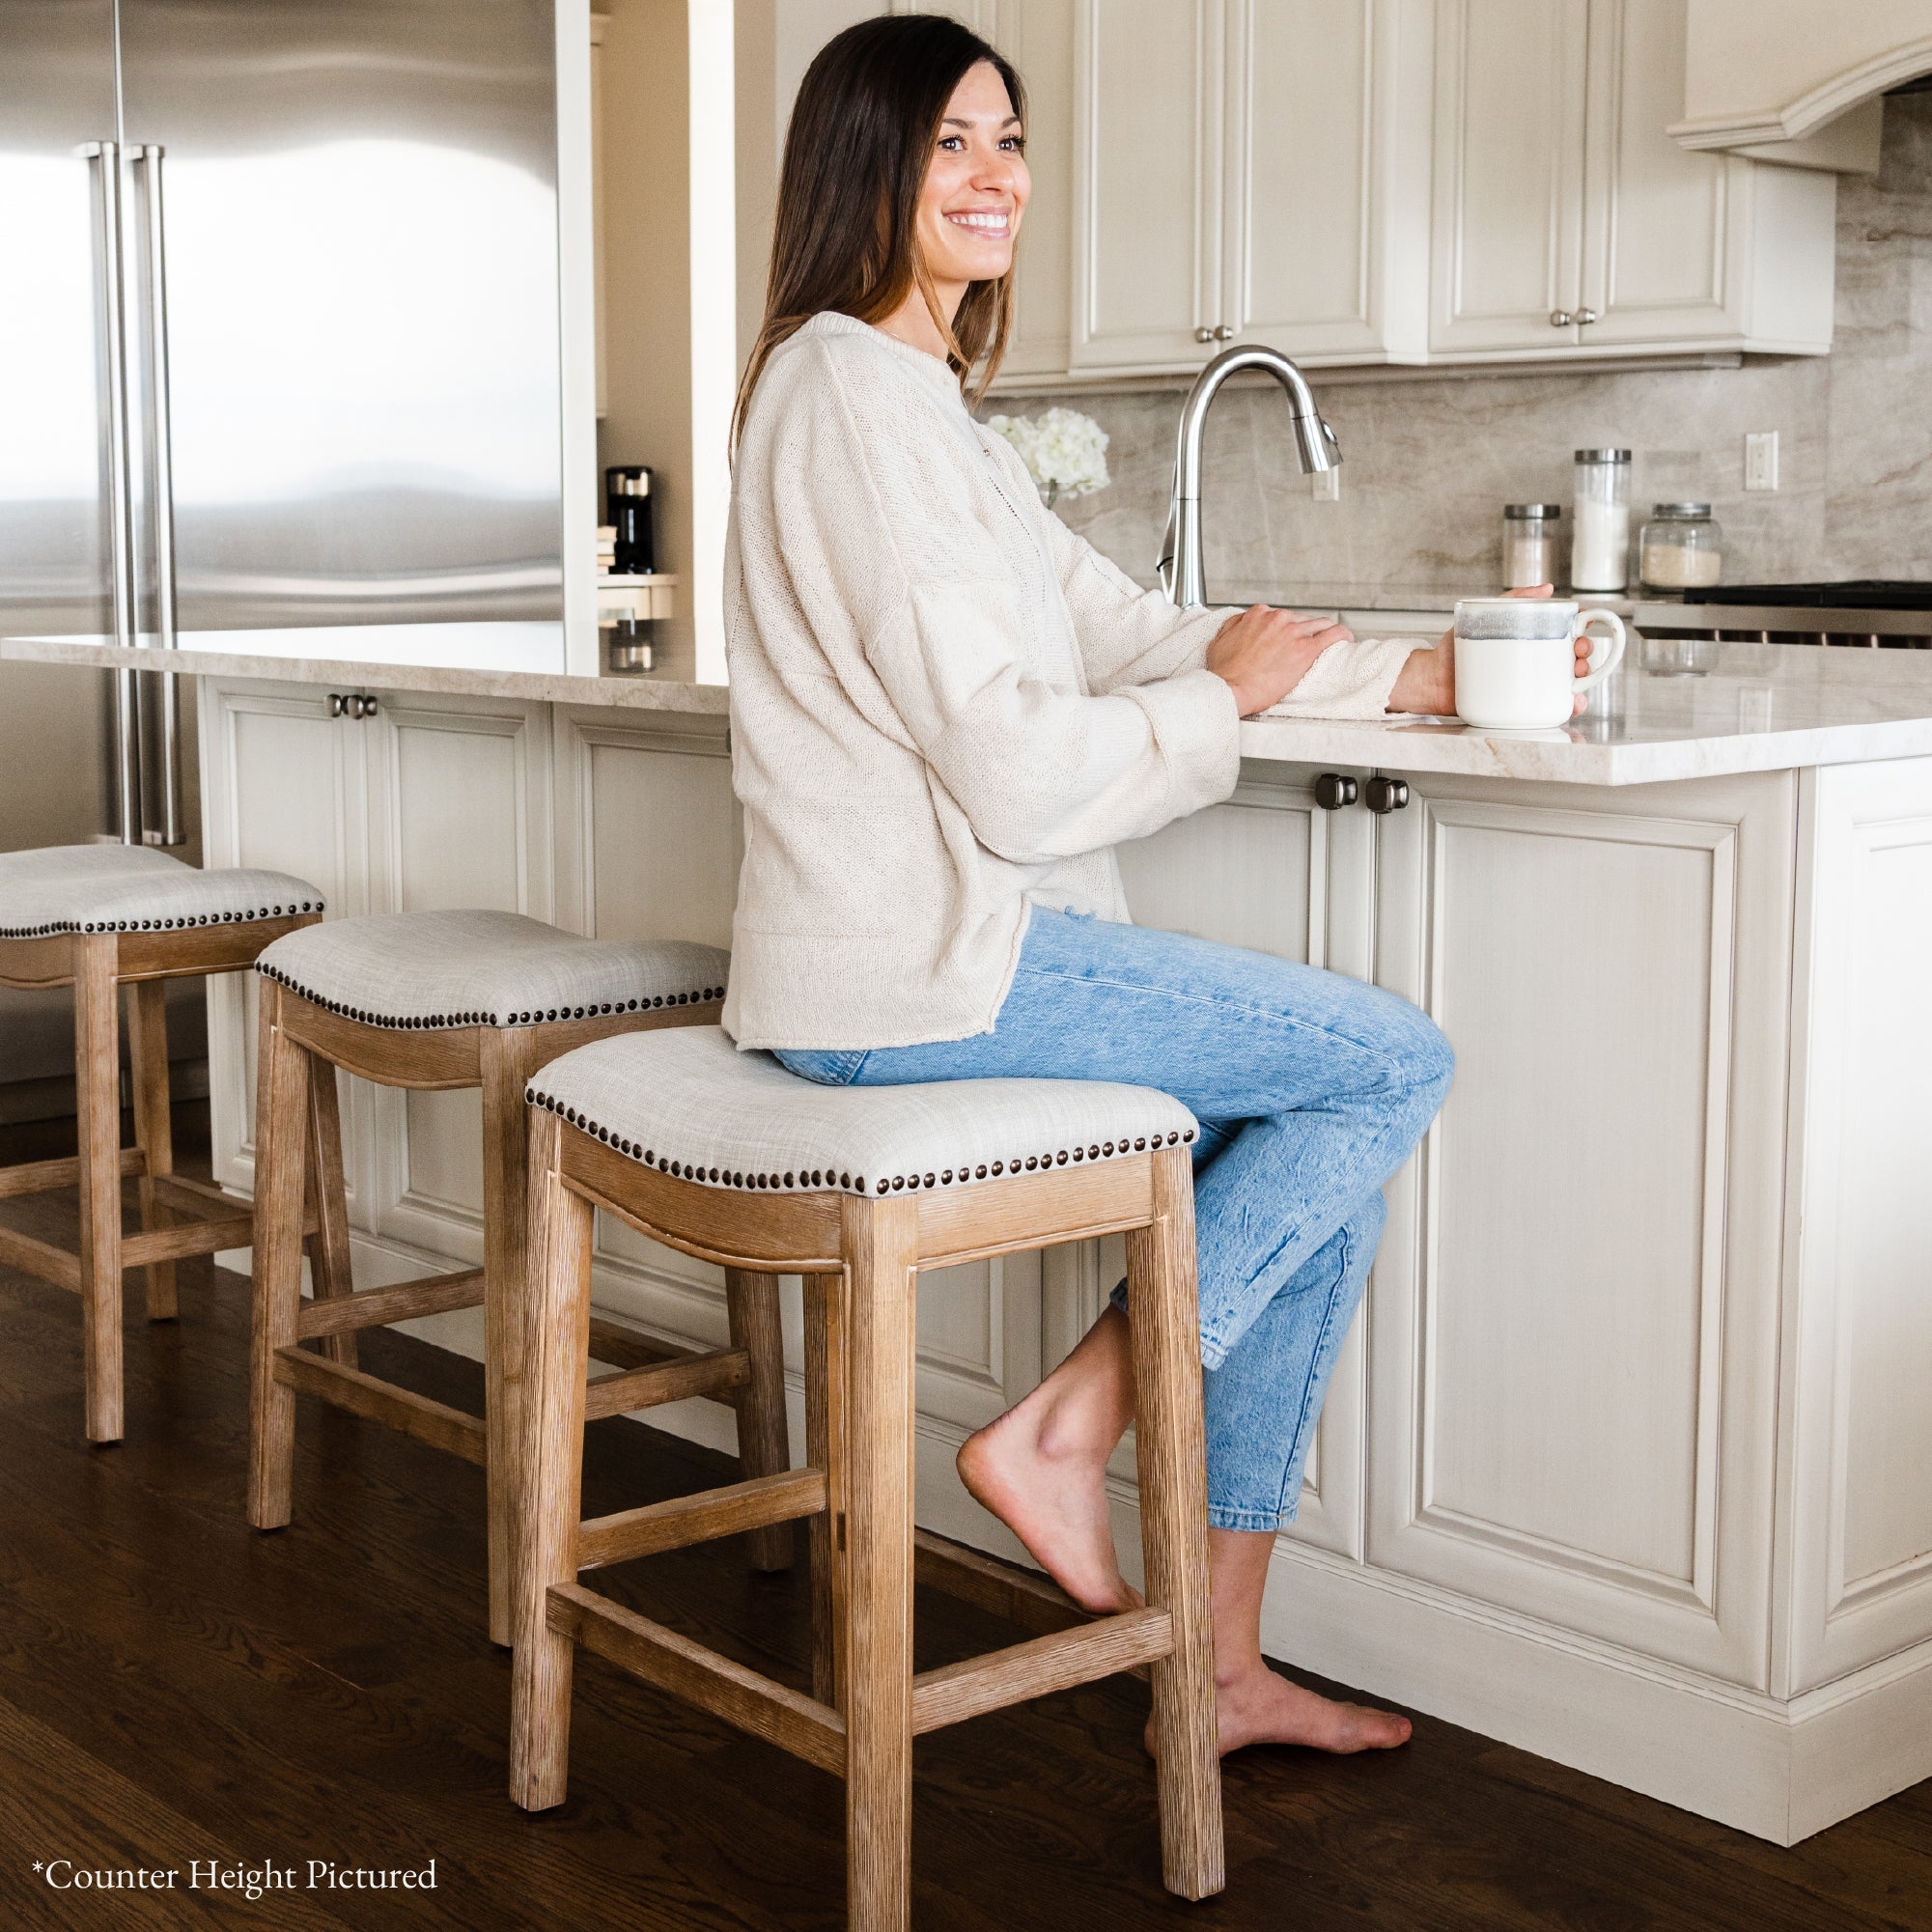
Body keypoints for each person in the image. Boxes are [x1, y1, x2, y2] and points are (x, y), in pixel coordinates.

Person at [723, 14, 1576, 1758]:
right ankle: (1063, 1430)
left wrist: (1393, 676)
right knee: (1387, 1059)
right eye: (949, 142)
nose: (994, 177)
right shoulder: (847, 396)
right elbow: (1021, 768)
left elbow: (1135, 629)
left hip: (947, 958)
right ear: (860, 170)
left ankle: (1221, 1666)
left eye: (1009, 141)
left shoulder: (924, 411)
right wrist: (1234, 699)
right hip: (917, 973)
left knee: (1325, 1152)